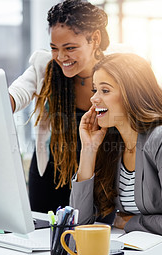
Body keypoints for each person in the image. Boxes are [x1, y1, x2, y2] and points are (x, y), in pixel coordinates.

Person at [70, 53, 162, 241]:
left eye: (105, 91)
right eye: (94, 90)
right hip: (145, 253)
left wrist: (130, 223)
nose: (94, 99)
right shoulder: (113, 146)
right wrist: (88, 150)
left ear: (132, 94)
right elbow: (80, 224)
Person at [8, 0, 110, 213]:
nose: (61, 57)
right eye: (54, 48)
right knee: (43, 241)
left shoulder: (115, 74)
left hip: (96, 176)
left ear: (95, 39)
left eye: (70, 48)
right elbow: (14, 95)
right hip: (49, 175)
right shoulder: (46, 67)